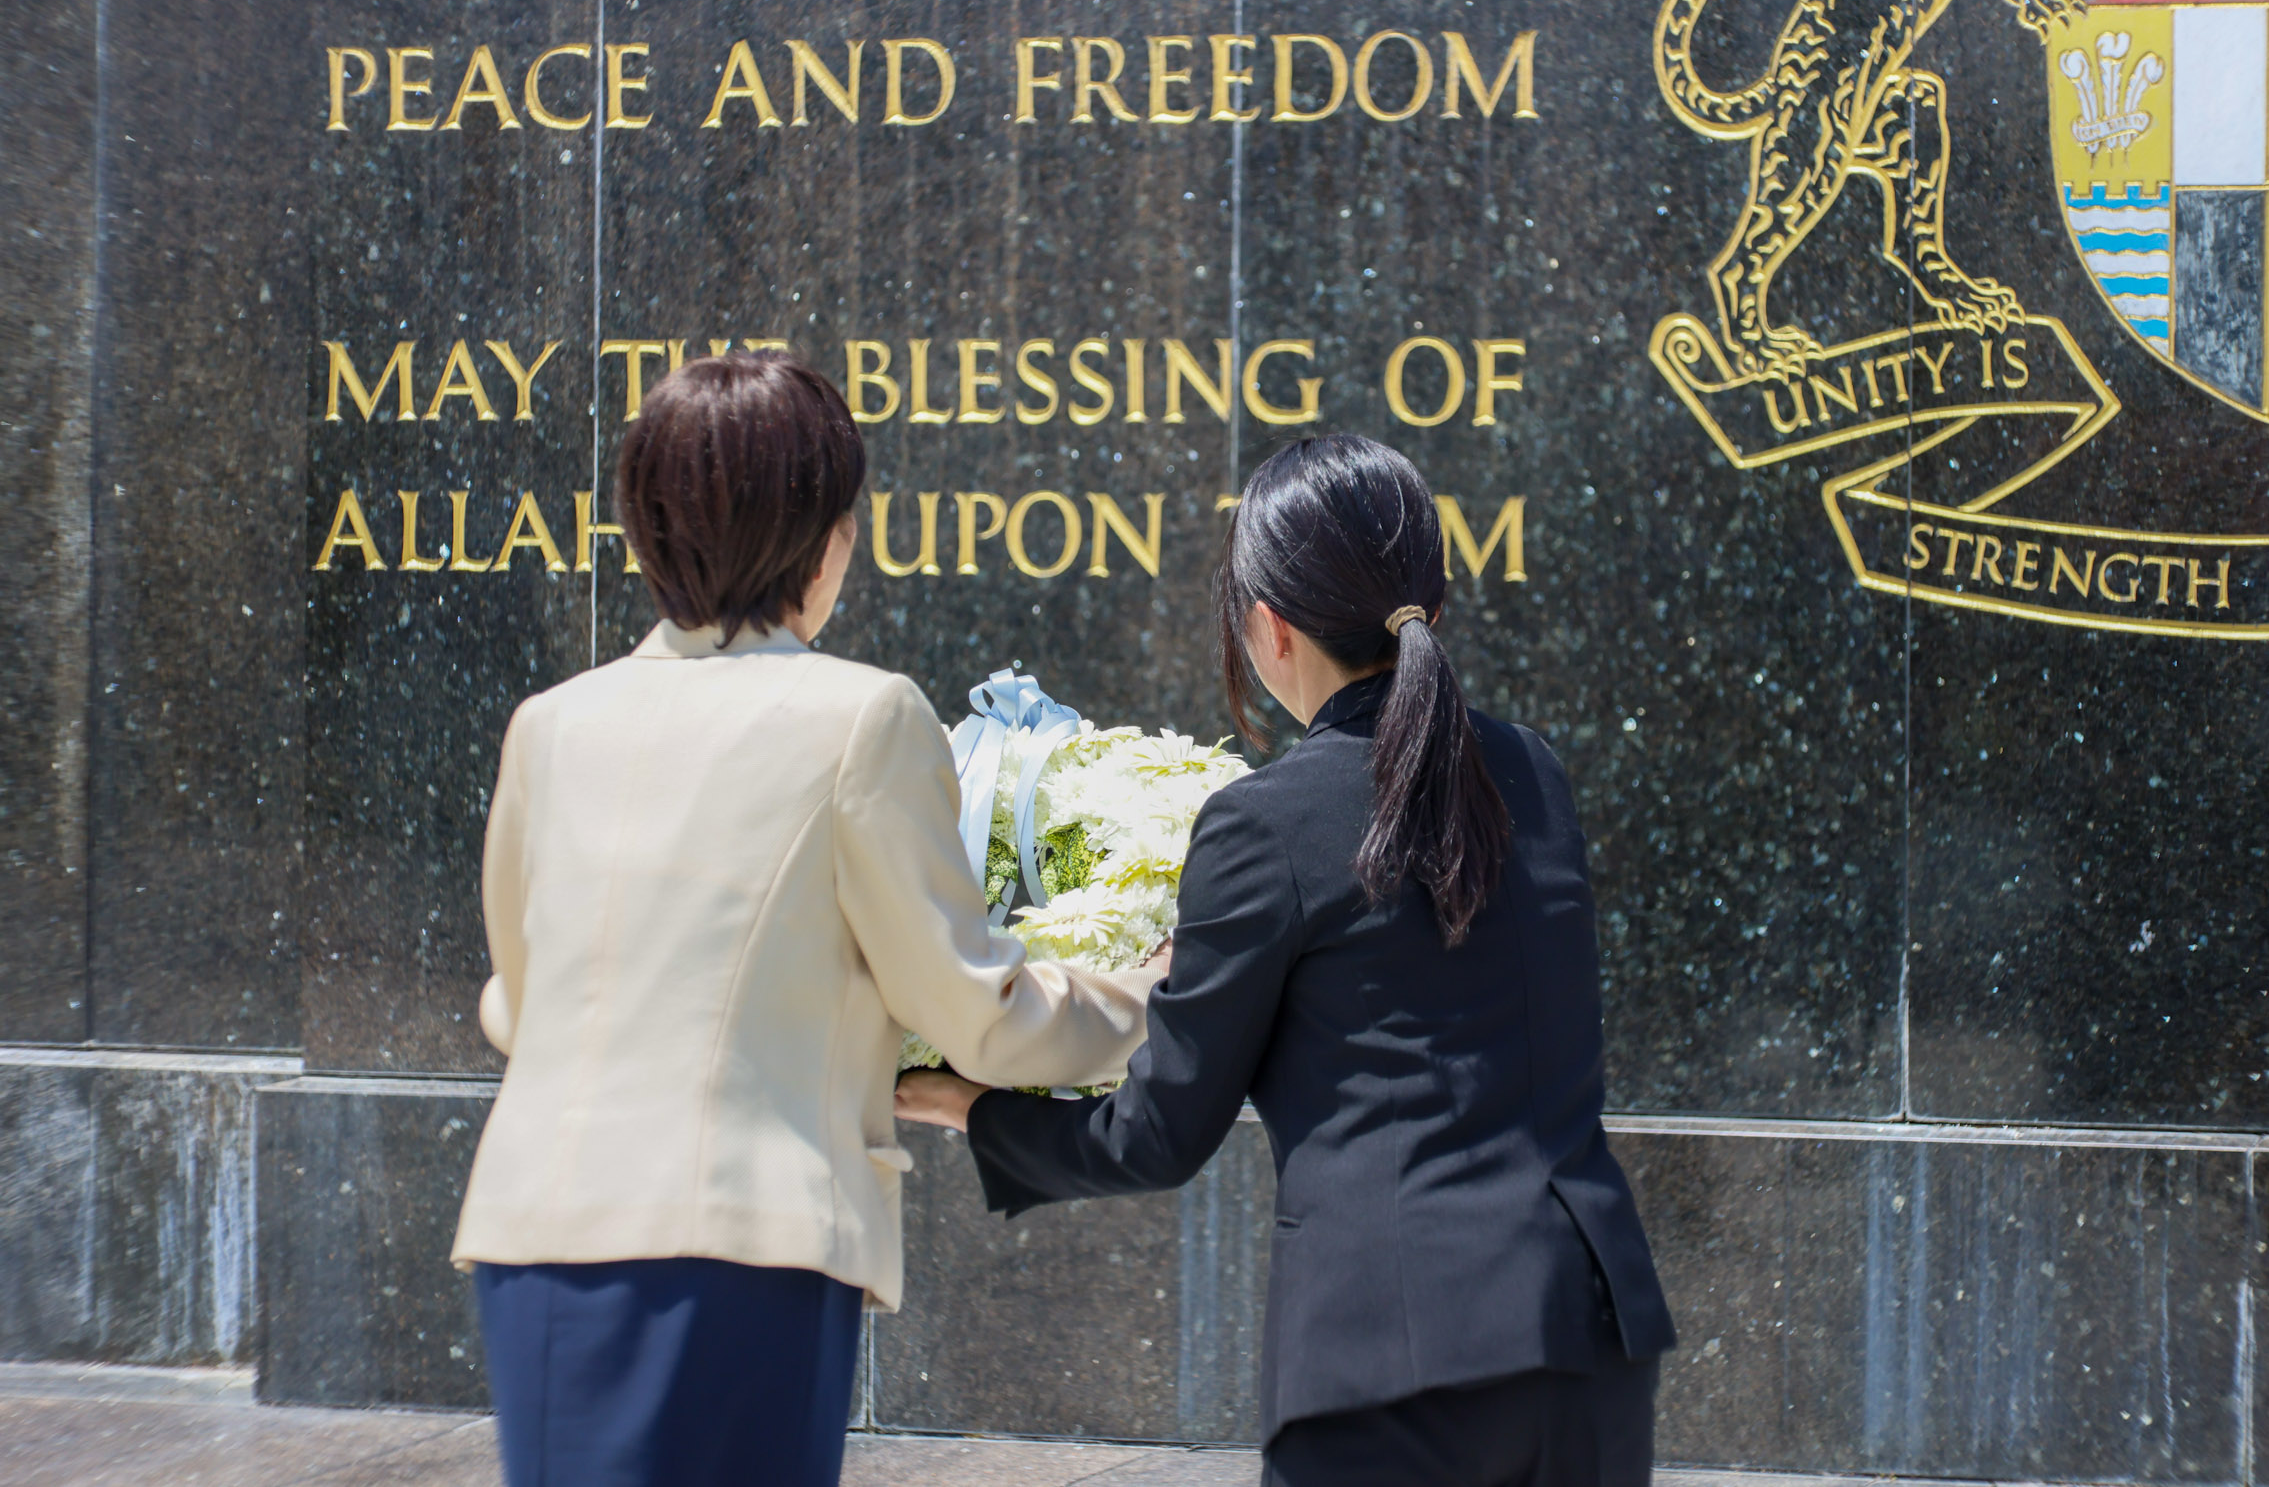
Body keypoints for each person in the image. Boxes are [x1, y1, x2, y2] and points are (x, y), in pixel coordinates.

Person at [897, 433, 1676, 1486]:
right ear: (1429, 607)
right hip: (1589, 1333)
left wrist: (970, 1105)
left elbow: (1158, 1137)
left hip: (1392, 1356)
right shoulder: (1530, 774)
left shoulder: (1261, 827)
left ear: (1267, 628)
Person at [451, 352, 1158, 1487]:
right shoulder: (861, 718)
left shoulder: (552, 724)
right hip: (737, 1248)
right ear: (822, 540)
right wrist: (1151, 991)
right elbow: (975, 1012)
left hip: (534, 1237)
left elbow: (519, 1004)